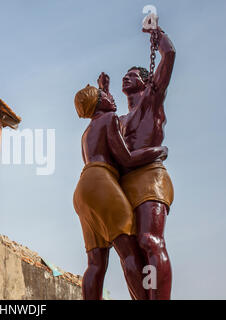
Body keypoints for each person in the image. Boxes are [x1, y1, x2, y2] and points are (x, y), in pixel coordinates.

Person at [73, 80, 167, 300]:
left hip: (83, 189)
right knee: (129, 252)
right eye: (105, 95)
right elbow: (126, 158)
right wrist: (158, 151)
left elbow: (103, 104)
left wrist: (102, 90)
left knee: (95, 263)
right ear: (98, 102)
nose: (111, 97)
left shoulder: (86, 133)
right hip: (101, 183)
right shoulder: (110, 118)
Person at [119, 25, 176, 299]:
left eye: (132, 75)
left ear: (145, 80)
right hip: (124, 183)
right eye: (125, 75)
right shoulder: (118, 121)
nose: (126, 78)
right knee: (128, 249)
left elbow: (169, 55)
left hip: (149, 178)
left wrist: (157, 34)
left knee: (149, 240)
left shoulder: (152, 98)